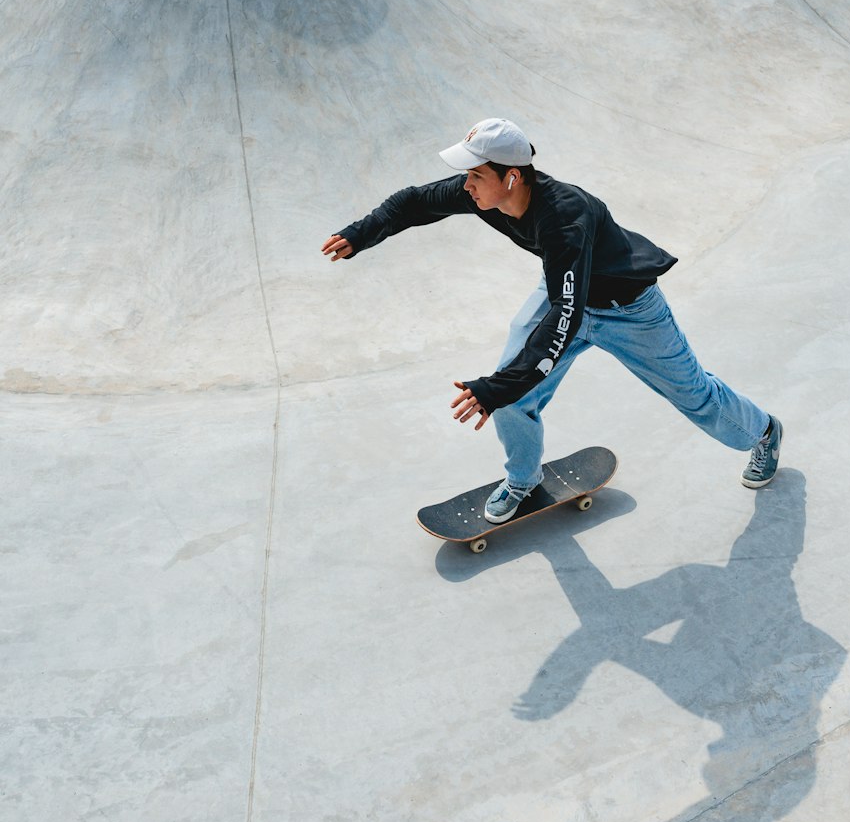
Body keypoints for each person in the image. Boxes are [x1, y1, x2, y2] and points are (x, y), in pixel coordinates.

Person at [322, 118, 782, 523]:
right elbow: (413, 202)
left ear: (512, 176)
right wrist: (359, 235)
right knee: (510, 387)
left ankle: (762, 430)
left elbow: (567, 316)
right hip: (563, 290)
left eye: (476, 175)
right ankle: (523, 479)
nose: (466, 186)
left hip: (628, 309)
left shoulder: (565, 218)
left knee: (693, 393)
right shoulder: (484, 192)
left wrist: (497, 387)